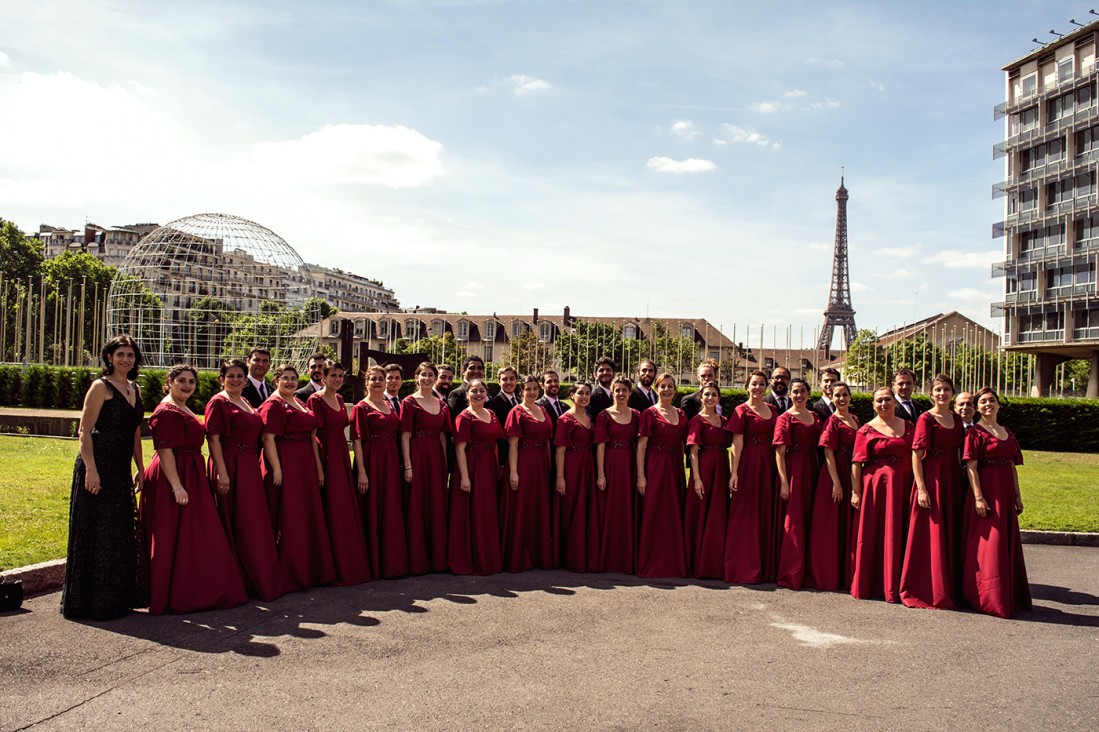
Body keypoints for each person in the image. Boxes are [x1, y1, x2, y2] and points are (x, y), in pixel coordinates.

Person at [142, 365, 247, 615]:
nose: (187, 385)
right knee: (173, 534)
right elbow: (165, 450)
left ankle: (191, 588)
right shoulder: (166, 410)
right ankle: (171, 594)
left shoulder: (182, 406)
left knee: (192, 533)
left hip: (190, 471)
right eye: (181, 381)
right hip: (174, 474)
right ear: (170, 381)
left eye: (191, 381)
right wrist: (177, 486)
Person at [61, 335, 147, 619]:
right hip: (97, 466)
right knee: (96, 532)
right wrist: (91, 469)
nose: (125, 359)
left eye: (130, 355)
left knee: (119, 532)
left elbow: (136, 433)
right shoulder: (100, 386)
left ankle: (117, 599)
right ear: (109, 357)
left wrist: (140, 467)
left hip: (121, 468)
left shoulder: (134, 388)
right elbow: (84, 430)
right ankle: (91, 602)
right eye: (120, 354)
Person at [206, 358, 285, 601]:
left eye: (239, 376)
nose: (236, 380)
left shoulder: (246, 401)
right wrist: (222, 471)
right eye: (230, 376)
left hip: (249, 464)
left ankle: (257, 578)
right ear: (222, 379)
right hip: (230, 464)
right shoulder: (218, 402)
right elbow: (213, 439)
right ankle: (236, 578)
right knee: (235, 520)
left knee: (252, 522)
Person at [259, 364, 337, 591]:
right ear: (276, 380)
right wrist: (277, 469)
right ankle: (290, 572)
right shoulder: (273, 404)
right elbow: (268, 439)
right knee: (290, 516)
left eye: (293, 378)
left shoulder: (299, 402)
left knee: (305, 515)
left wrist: (318, 468)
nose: (291, 382)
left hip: (304, 464)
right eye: (285, 378)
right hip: (286, 462)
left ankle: (309, 568)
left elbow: (312, 437)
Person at [961, 387, 1032, 618]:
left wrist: (1018, 495)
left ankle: (1008, 594)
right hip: (987, 494)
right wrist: (979, 497)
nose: (987, 405)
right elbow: (971, 468)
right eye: (982, 402)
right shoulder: (975, 433)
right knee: (989, 546)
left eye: (992, 400)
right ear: (977, 407)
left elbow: (1012, 467)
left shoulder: (1007, 432)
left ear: (999, 405)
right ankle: (987, 596)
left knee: (1005, 543)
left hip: (1005, 494)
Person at [899, 374, 964, 610]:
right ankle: (926, 587)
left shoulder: (956, 420)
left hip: (952, 480)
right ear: (930, 394)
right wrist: (922, 488)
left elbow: (959, 452)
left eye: (946, 389)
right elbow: (916, 455)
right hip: (931, 478)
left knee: (949, 531)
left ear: (952, 393)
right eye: (937, 389)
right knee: (930, 533)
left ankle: (950, 585)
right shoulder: (926, 419)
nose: (942, 393)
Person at [307, 360, 371, 586]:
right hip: (325, 455)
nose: (337, 379)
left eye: (340, 376)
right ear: (323, 377)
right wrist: (318, 466)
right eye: (333, 375)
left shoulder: (341, 399)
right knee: (330, 506)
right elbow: (312, 436)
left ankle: (348, 559)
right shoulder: (315, 399)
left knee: (342, 506)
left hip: (342, 455)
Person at [850, 386, 914, 603]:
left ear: (895, 402)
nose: (884, 404)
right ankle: (877, 582)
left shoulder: (909, 426)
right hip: (876, 489)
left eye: (887, 400)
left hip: (905, 486)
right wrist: (856, 492)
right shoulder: (865, 430)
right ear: (873, 405)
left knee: (902, 532)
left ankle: (900, 582)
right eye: (879, 401)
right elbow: (857, 464)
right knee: (876, 533)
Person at [350, 365, 409, 579]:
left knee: (390, 508)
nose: (377, 382)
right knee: (374, 508)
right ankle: (373, 561)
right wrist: (362, 472)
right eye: (372, 379)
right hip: (371, 461)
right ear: (366, 383)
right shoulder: (360, 408)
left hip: (390, 461)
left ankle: (391, 561)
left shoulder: (389, 405)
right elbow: (356, 441)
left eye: (380, 379)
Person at [724, 370, 779, 584]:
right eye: (754, 384)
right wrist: (734, 472)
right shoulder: (741, 410)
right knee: (745, 513)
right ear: (747, 386)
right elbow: (736, 444)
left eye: (761, 384)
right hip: (748, 465)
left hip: (769, 465)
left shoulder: (773, 409)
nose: (757, 388)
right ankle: (742, 565)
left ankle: (765, 564)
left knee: (766, 511)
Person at [806, 381, 860, 591]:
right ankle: (826, 573)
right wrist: (836, 482)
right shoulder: (831, 422)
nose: (841, 399)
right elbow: (828, 453)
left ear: (850, 396)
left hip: (852, 472)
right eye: (837, 395)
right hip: (834, 475)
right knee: (830, 525)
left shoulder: (855, 419)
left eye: (845, 394)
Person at [399, 362, 452, 575]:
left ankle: (436, 558)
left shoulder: (443, 404)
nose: (427, 378)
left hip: (436, 458)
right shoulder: (409, 402)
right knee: (417, 504)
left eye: (431, 375)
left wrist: (445, 464)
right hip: (417, 454)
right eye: (423, 374)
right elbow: (404, 434)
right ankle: (417, 559)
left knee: (436, 504)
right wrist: (408, 465)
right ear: (416, 377)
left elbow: (442, 435)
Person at [448, 379, 504, 575]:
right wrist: (464, 476)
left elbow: (495, 444)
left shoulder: (492, 414)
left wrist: (496, 469)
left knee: (487, 511)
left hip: (488, 466)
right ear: (467, 394)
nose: (478, 394)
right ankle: (473, 557)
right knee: (472, 512)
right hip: (471, 467)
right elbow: (460, 449)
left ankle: (488, 556)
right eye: (474, 391)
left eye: (482, 390)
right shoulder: (464, 417)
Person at [636, 372, 688, 578]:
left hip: (675, 468)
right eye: (662, 386)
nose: (666, 390)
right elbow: (641, 447)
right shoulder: (649, 414)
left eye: (670, 386)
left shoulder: (682, 415)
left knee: (673, 512)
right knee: (655, 512)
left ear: (675, 390)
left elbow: (685, 443)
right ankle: (652, 561)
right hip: (655, 468)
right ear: (657, 389)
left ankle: (673, 561)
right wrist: (641, 476)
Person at [774, 378, 823, 590]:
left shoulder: (815, 417)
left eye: (803, 391)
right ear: (790, 394)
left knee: (811, 519)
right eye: (795, 391)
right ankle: (791, 571)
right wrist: (784, 482)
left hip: (812, 469)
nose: (799, 395)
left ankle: (810, 568)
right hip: (794, 470)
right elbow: (779, 452)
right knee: (794, 521)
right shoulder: (784, 418)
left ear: (809, 394)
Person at [503, 375, 554, 571]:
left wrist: (548, 467)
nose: (532, 392)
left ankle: (538, 554)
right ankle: (519, 556)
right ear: (521, 391)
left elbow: (548, 441)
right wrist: (514, 472)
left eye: (534, 388)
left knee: (538, 508)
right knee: (522, 508)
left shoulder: (542, 410)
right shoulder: (516, 411)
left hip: (540, 464)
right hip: (523, 463)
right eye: (528, 389)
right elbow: (513, 444)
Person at [685, 381, 731, 579]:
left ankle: (714, 561)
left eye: (714, 395)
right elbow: (693, 451)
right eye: (707, 395)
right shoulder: (697, 420)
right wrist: (696, 478)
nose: (710, 398)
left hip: (721, 468)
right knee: (702, 512)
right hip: (703, 468)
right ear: (700, 398)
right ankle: (697, 562)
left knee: (718, 513)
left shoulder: (725, 420)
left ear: (718, 398)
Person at [594, 376, 639, 574]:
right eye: (617, 390)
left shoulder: (637, 415)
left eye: (624, 390)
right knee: (610, 509)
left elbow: (641, 446)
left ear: (630, 393)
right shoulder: (603, 416)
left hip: (630, 465)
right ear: (612, 392)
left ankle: (627, 557)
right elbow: (600, 447)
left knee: (628, 508)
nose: (621, 394)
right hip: (611, 464)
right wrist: (601, 474)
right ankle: (609, 557)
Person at [555, 382, 600, 572]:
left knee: (585, 508)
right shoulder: (565, 419)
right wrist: (560, 477)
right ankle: (571, 557)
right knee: (572, 509)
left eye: (587, 393)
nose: (584, 396)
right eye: (580, 393)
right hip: (572, 467)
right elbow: (560, 451)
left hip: (587, 467)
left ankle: (584, 553)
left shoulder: (589, 418)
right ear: (572, 395)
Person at [487, 366, 521, 467]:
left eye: (512, 378)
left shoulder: (521, 402)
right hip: (503, 458)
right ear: (498, 381)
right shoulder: (491, 404)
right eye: (504, 379)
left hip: (521, 455)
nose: (508, 382)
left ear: (516, 380)